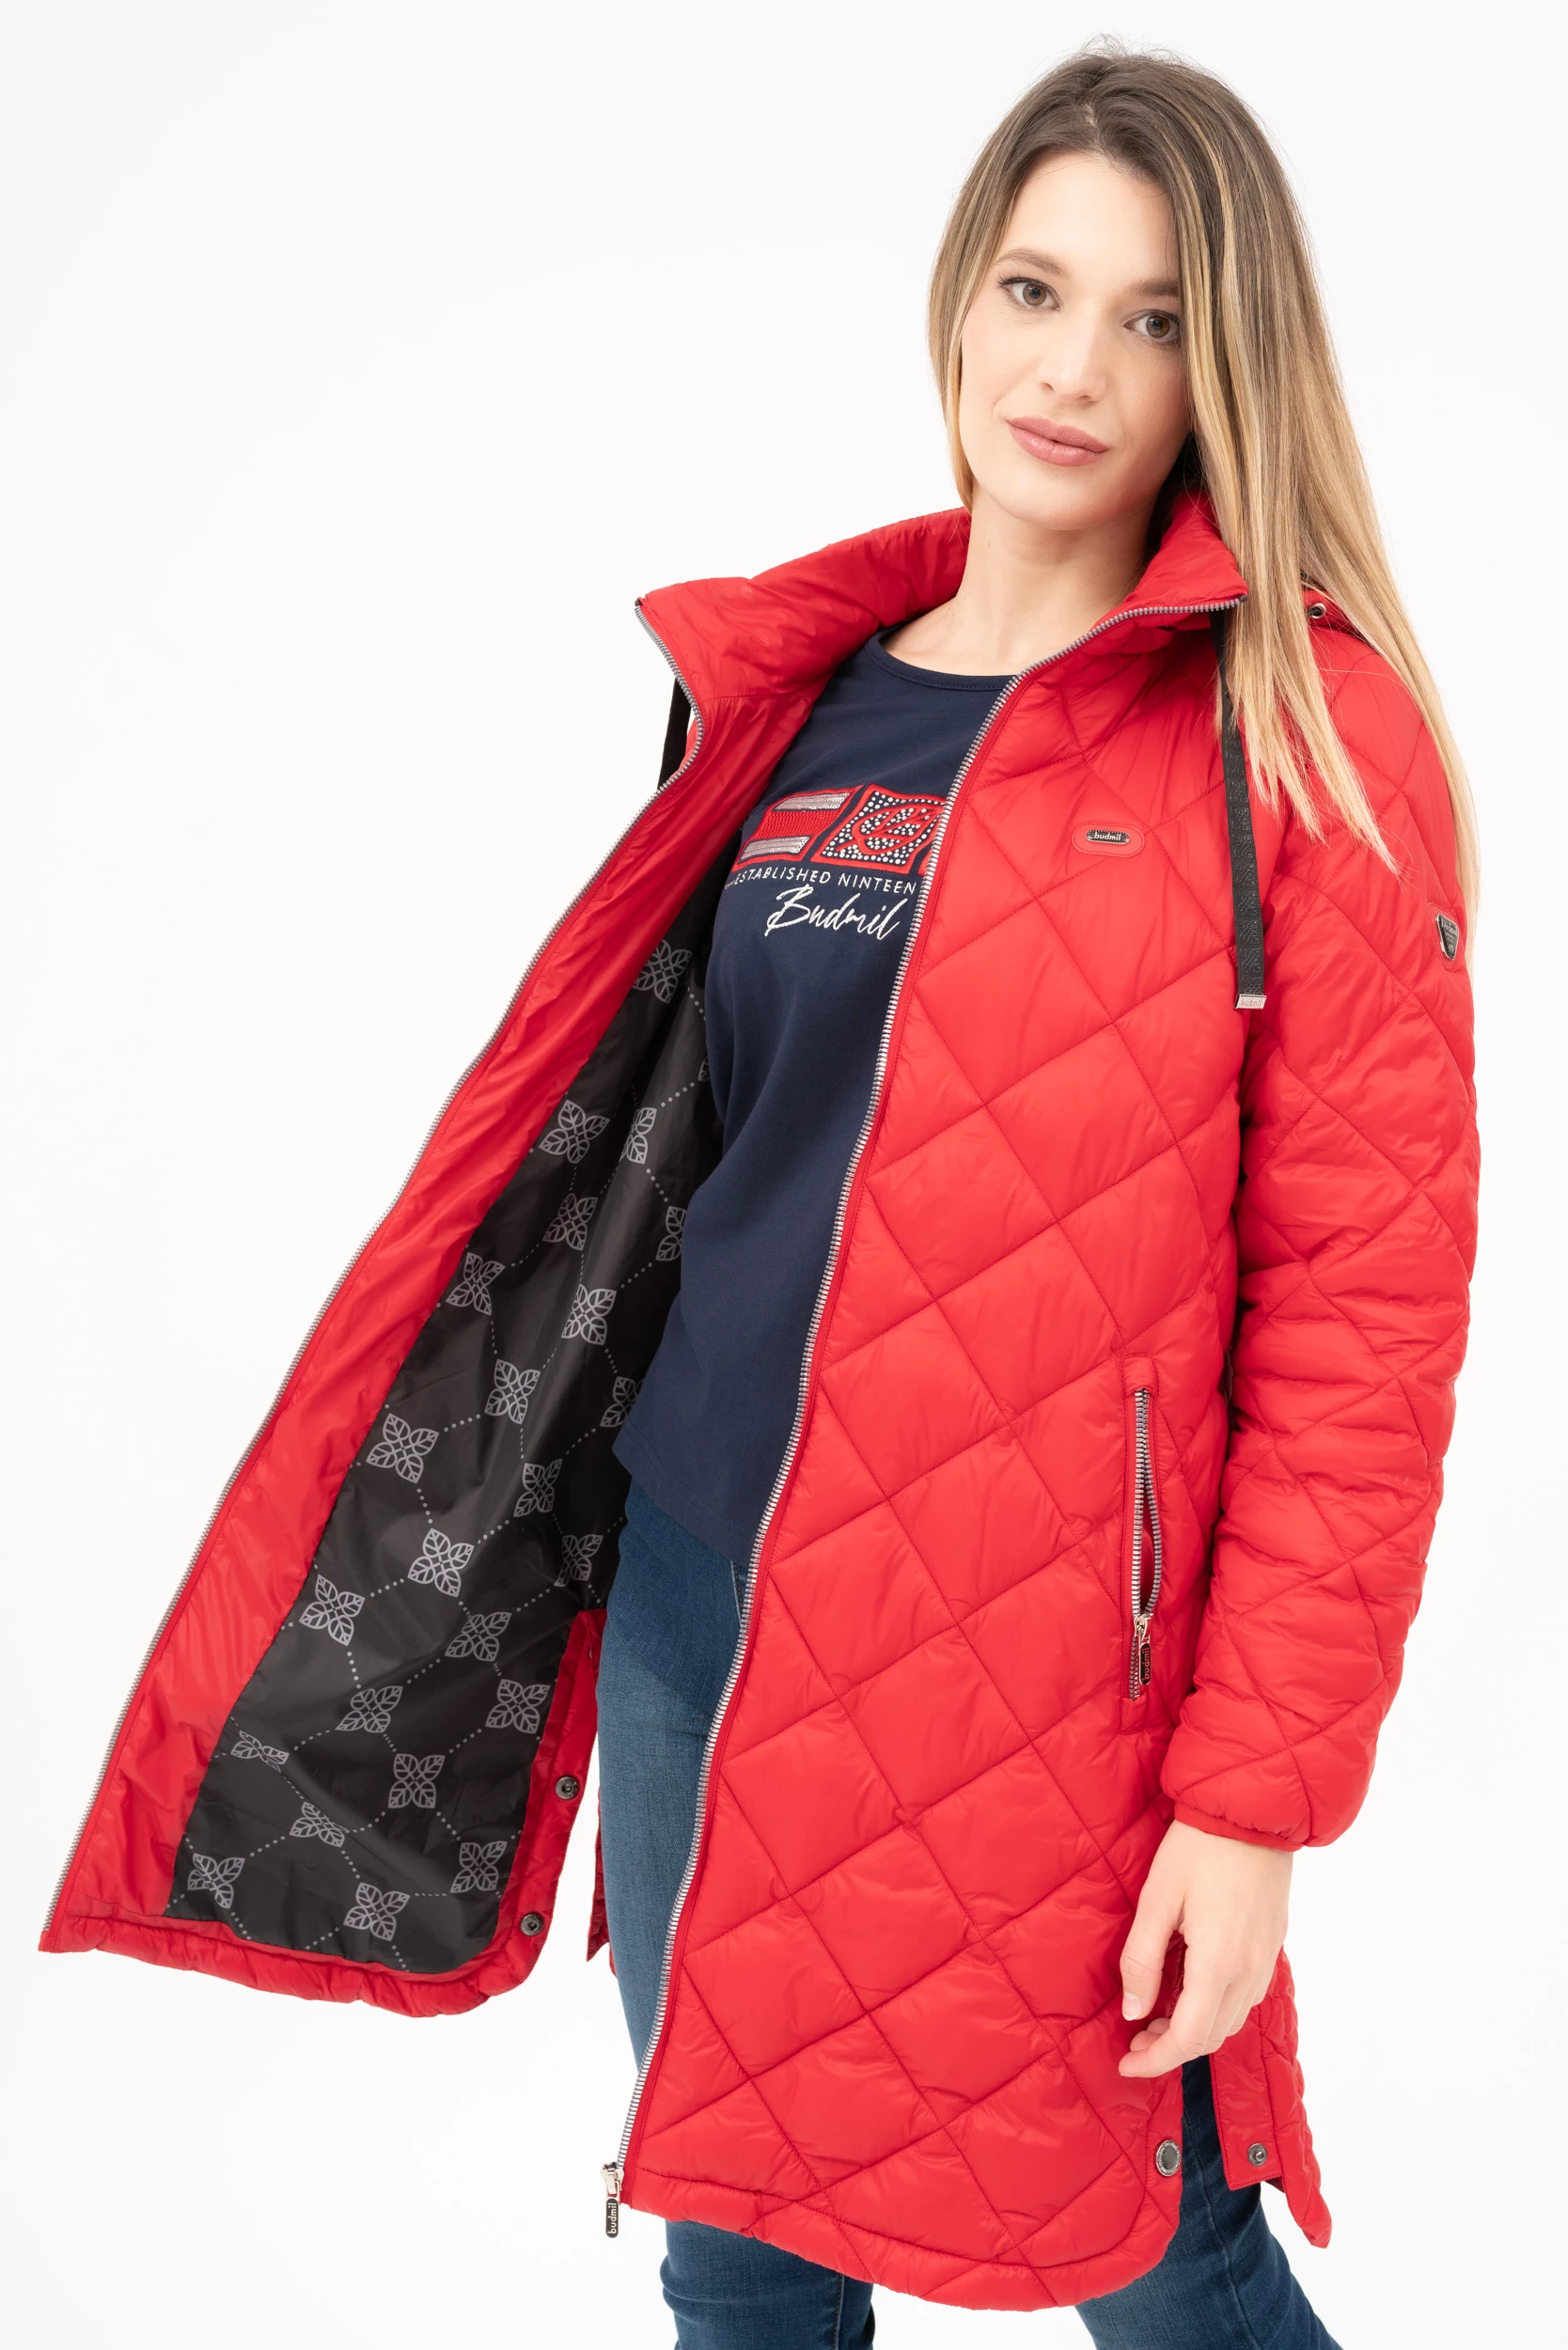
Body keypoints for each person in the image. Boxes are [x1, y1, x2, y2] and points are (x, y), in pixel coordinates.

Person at [44, 43, 1478, 2350]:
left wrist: (1254, 1800)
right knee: (734, 2238)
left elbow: (1364, 1314)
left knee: (1165, 2253)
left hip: (1045, 1658)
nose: (1073, 368)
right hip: (702, 1585)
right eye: (1036, 288)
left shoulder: (1295, 729)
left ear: (1228, 367)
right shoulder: (798, 699)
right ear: (960, 295)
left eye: (1153, 319)